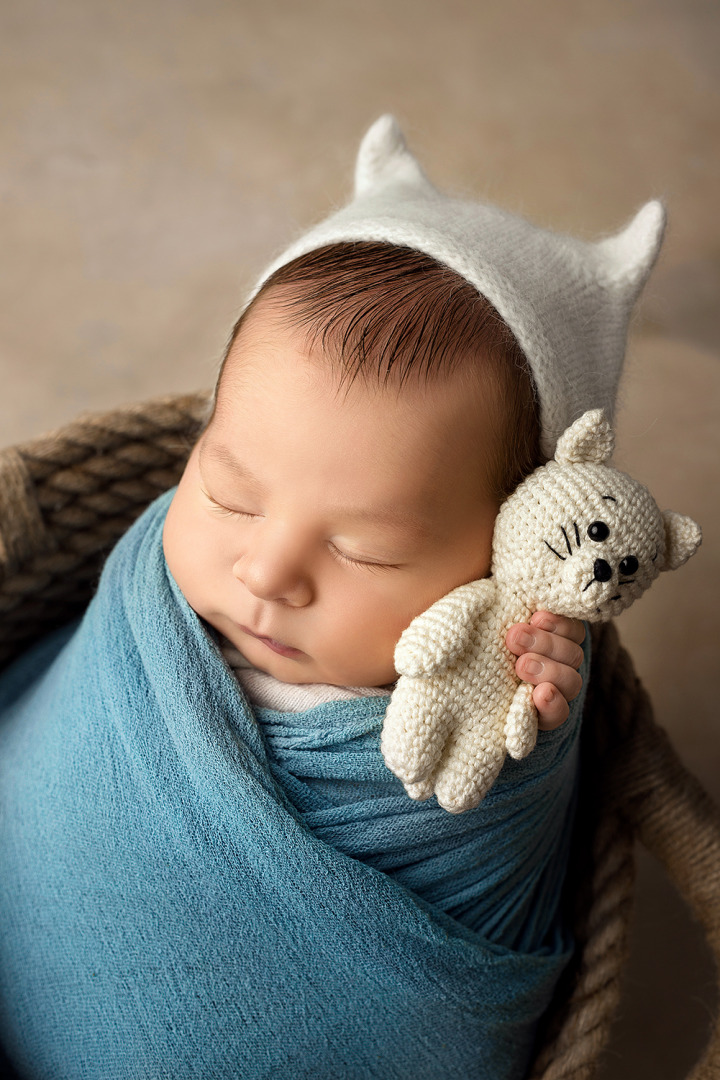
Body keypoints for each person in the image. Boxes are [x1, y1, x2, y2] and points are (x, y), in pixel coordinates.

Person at [0, 117, 665, 1079]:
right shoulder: (161, 596)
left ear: (508, 550)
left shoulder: (497, 660)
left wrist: (537, 705)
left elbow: (495, 813)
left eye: (367, 550)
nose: (265, 572)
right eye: (230, 493)